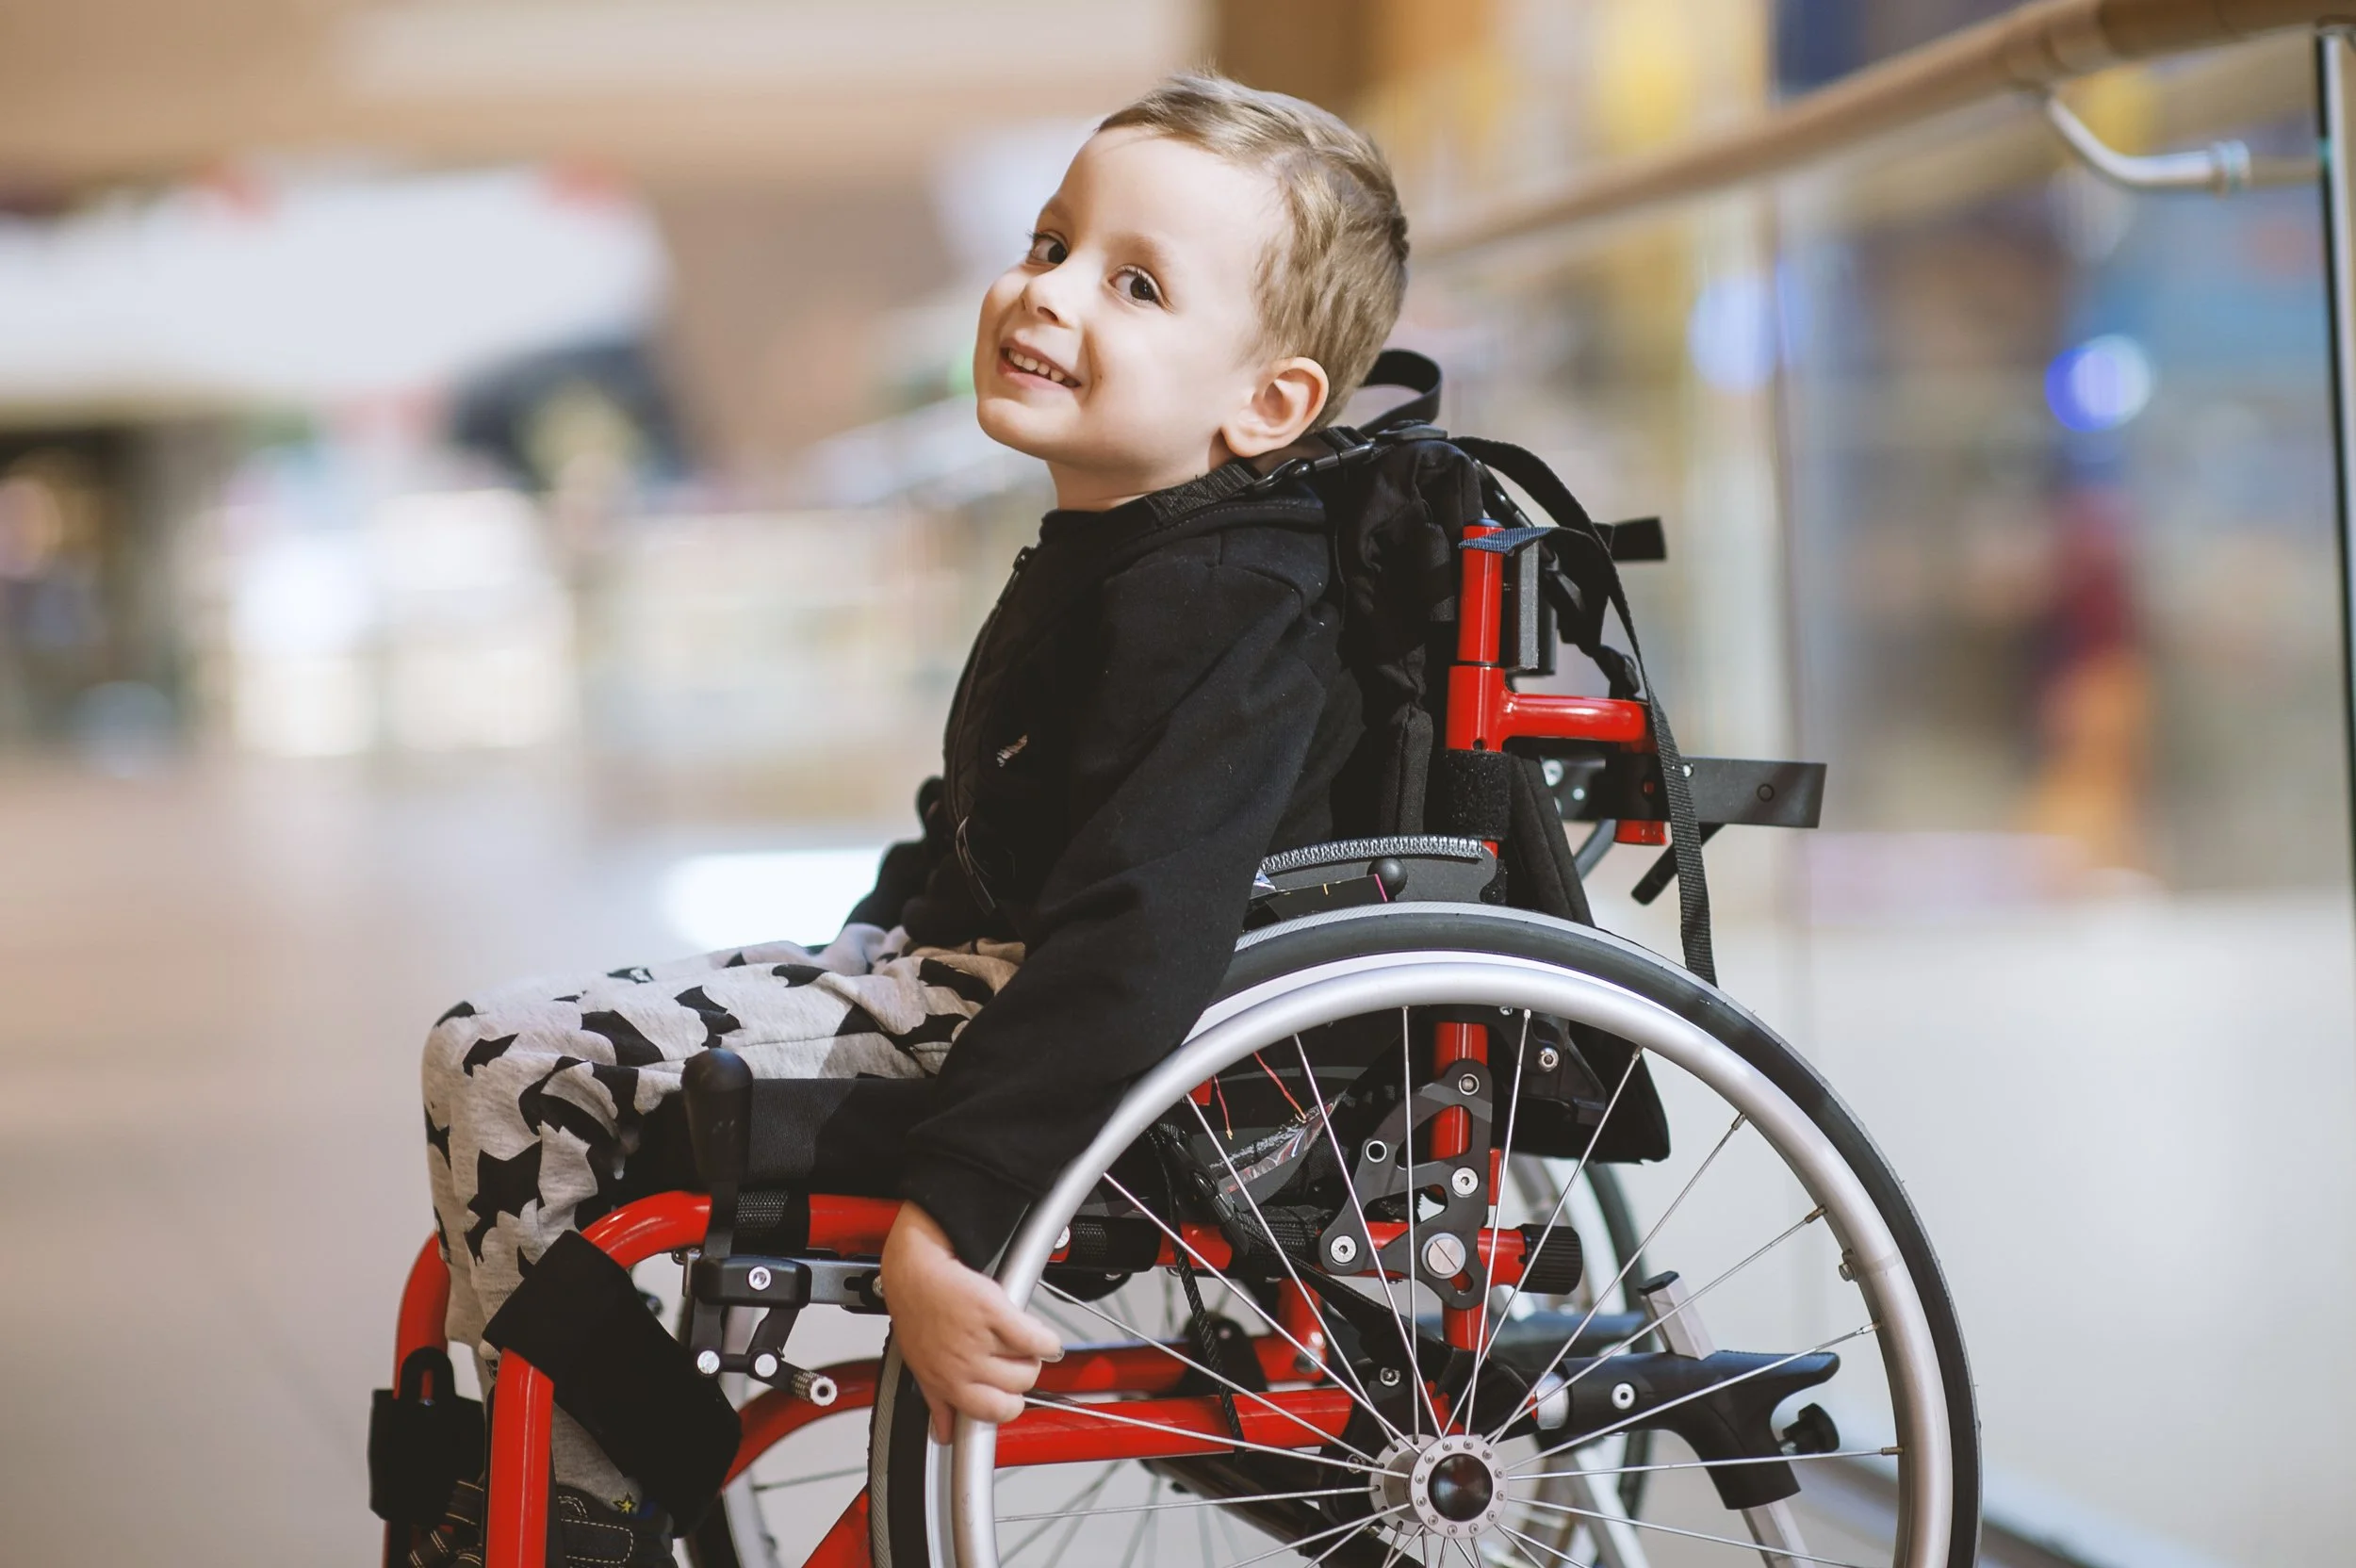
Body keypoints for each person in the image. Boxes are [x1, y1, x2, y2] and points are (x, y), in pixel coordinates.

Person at [417, 72, 1408, 1561]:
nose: (1045, 291)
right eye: (1049, 239)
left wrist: (952, 1229)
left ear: (1266, 406)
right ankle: (584, 1462)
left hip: (1080, 1047)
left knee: (501, 1065)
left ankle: (601, 1491)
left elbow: (1141, 938)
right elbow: (983, 839)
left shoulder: (1233, 602)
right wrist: (840, 960)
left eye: (1133, 284)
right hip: (975, 987)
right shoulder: (1127, 551)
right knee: (511, 1056)